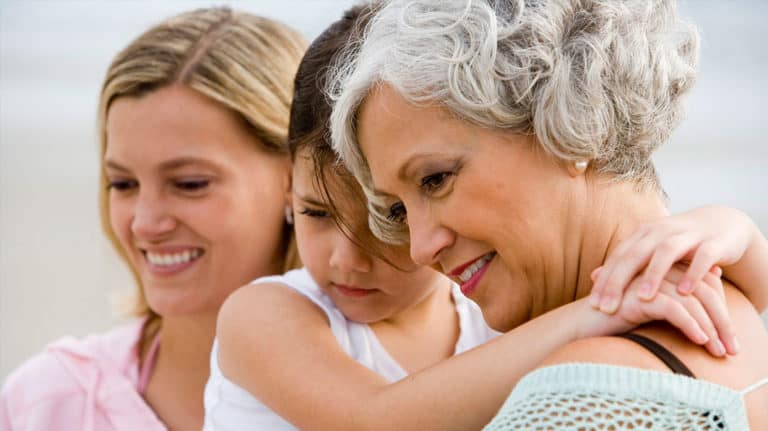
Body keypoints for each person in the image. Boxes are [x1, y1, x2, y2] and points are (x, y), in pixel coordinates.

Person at [204, 4, 764, 430]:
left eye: (436, 179)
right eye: (396, 209)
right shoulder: (730, 313)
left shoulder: (583, 390)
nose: (419, 245)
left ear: (572, 122)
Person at [0, 7, 306, 431]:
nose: (144, 224)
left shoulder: (397, 387)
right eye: (122, 184)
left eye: (190, 183)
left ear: (297, 177)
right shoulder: (43, 404)